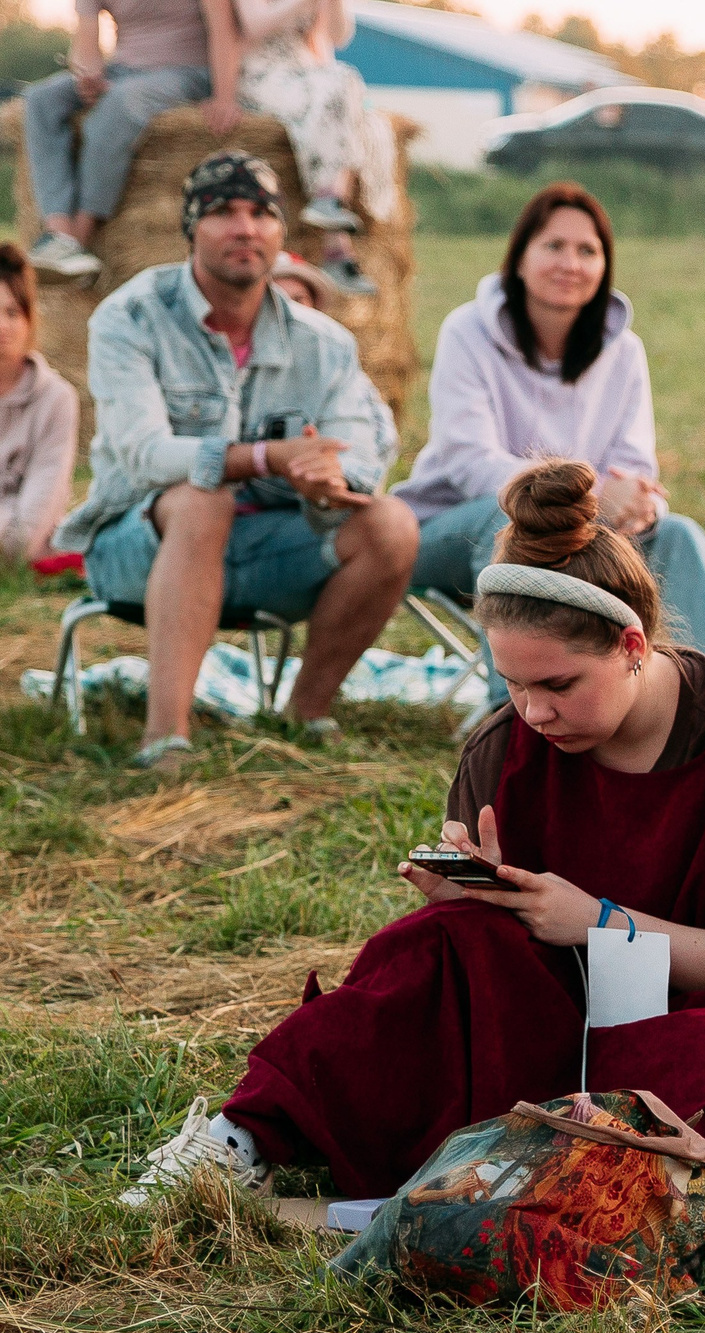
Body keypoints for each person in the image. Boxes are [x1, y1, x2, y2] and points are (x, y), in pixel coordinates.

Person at [119, 458, 705, 1208]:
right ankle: (241, 1139)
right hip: (553, 1019)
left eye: (558, 684)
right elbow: (493, 972)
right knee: (428, 951)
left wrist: (595, 923)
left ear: (632, 648)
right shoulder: (506, 744)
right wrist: (474, 905)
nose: (534, 713)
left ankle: (532, 1154)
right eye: (513, 684)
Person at [51, 149, 415, 771]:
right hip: (138, 549)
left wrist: (328, 480)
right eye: (223, 212)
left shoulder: (322, 343)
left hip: (267, 553)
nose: (245, 228)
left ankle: (304, 713)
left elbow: (361, 447)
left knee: (391, 524)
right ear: (192, 227)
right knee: (202, 497)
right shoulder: (131, 316)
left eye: (261, 213)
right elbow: (144, 454)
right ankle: (165, 738)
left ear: (280, 232)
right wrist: (270, 456)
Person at [398, 182, 705, 704]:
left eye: (588, 251)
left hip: (582, 536)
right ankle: (517, 722)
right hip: (449, 531)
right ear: (519, 258)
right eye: (553, 246)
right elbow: (467, 461)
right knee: (511, 520)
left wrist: (640, 505)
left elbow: (634, 467)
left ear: (604, 268)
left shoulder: (624, 353)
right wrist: (585, 499)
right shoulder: (467, 331)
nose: (571, 262)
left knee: (678, 535)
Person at [22, 0, 239, 279]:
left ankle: (80, 236)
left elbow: (223, 30)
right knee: (40, 99)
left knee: (119, 106)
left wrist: (225, 97)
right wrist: (87, 75)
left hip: (185, 73)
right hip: (123, 71)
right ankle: (58, 234)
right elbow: (86, 41)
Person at [232, 0, 397, 296]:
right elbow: (254, 27)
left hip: (306, 74)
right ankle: (332, 220)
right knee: (342, 86)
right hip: (261, 74)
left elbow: (337, 36)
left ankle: (332, 207)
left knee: (368, 119)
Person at [0, 245, 81, 565]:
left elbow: (26, 538)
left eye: (12, 312)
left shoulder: (56, 400)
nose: (2, 327)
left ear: (30, 318)